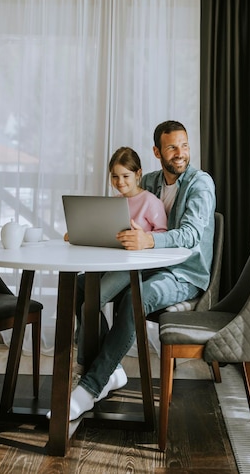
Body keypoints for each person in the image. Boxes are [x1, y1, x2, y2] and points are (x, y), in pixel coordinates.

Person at [67, 120, 216, 421]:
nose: (180, 153)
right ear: (157, 152)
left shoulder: (200, 183)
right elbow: (122, 213)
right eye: (172, 147)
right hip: (148, 266)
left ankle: (90, 385)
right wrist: (87, 229)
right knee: (81, 287)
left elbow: (190, 235)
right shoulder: (149, 182)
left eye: (184, 145)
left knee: (136, 297)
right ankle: (111, 370)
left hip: (184, 274)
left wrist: (149, 239)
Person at [74, 146, 168, 372]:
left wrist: (144, 237)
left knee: (91, 303)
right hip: (113, 262)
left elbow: (164, 235)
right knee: (77, 286)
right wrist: (80, 231)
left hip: (134, 267)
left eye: (125, 176)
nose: (120, 182)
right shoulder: (115, 202)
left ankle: (91, 364)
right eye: (115, 177)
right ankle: (101, 360)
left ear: (138, 174)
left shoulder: (150, 201)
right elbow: (106, 232)